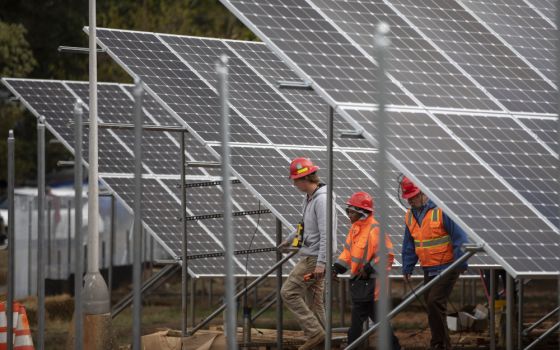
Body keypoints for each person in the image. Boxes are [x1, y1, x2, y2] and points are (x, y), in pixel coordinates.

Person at [400, 176, 469, 350]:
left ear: (423, 193)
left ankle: (440, 344)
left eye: (413, 196)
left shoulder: (441, 211)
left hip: (448, 266)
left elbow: (460, 237)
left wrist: (460, 263)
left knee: (434, 302)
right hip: (428, 267)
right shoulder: (410, 216)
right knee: (432, 306)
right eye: (408, 198)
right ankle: (440, 342)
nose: (410, 201)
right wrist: (407, 266)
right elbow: (409, 244)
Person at [279, 157, 337, 350]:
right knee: (315, 303)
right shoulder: (309, 198)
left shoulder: (322, 200)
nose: (294, 184)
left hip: (315, 258)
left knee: (288, 292)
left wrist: (321, 263)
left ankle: (315, 333)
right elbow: (304, 226)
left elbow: (326, 234)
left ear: (305, 178)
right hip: (314, 256)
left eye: (295, 179)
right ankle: (325, 341)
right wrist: (289, 239)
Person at [333, 192, 401, 349]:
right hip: (361, 285)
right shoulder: (355, 229)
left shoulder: (374, 229)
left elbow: (387, 255)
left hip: (372, 286)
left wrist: (369, 268)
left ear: (361, 211)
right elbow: (347, 253)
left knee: (357, 326)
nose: (348, 214)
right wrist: (336, 267)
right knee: (379, 324)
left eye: (351, 211)